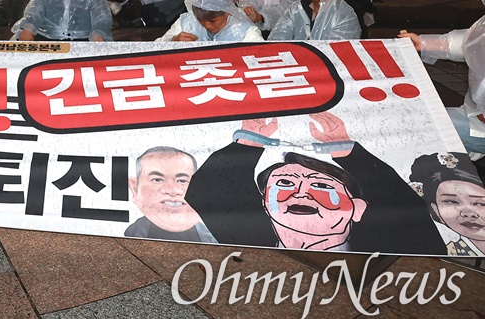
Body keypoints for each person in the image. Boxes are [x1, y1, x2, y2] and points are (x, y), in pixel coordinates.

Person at [186, 113, 446, 254]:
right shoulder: (248, 237)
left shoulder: (391, 244)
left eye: (321, 186)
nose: (301, 194)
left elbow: (404, 205)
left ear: (357, 206)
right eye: (285, 183)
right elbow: (208, 190)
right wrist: (249, 143)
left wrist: (347, 152)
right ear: (264, 203)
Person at [400, 0, 485, 161]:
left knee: (420, 126)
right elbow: (472, 42)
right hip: (473, 116)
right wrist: (425, 43)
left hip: (478, 125)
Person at [124, 147, 217, 243]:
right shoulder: (131, 235)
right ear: (135, 189)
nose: (173, 190)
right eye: (157, 180)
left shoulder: (212, 239)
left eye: (182, 181)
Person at [409, 152, 484, 256]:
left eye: (480, 203)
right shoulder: (449, 252)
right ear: (435, 210)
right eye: (451, 201)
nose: (468, 213)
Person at [157, 0, 264, 42]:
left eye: (213, 21)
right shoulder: (186, 22)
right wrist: (173, 41)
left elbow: (259, 56)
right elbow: (156, 46)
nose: (207, 25)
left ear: (227, 12)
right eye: (201, 20)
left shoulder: (245, 31)